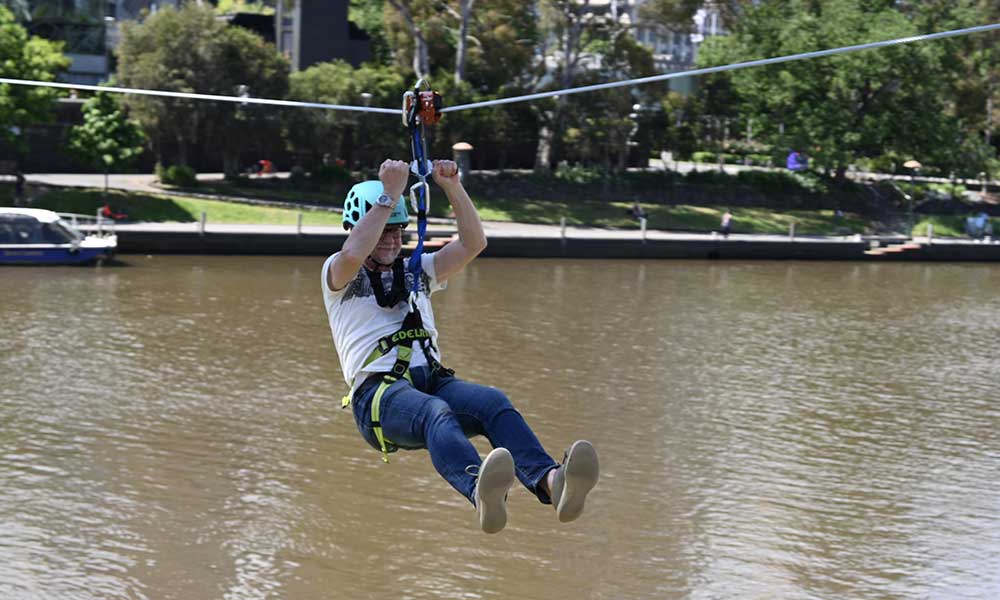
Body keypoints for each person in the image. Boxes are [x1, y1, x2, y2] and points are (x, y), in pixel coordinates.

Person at [321, 158, 599, 534]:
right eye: (383, 231)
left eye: (397, 231)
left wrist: (452, 186)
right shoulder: (337, 274)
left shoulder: (417, 270)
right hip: (378, 398)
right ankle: (479, 490)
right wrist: (389, 194)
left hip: (431, 380)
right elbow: (354, 254)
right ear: (358, 228)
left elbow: (474, 243)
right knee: (436, 412)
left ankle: (551, 482)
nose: (390, 240)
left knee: (492, 402)